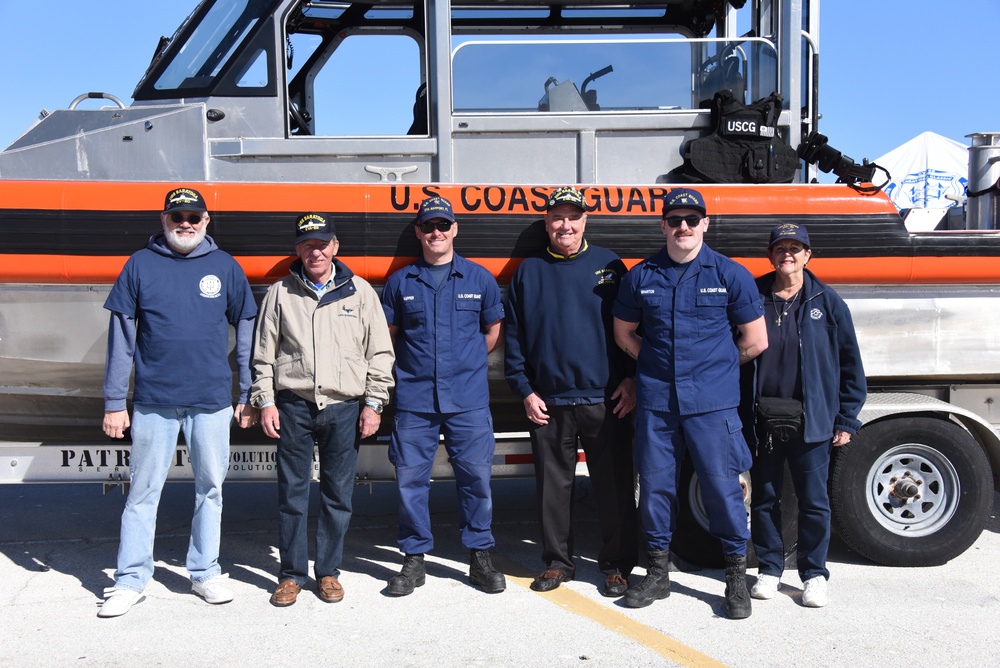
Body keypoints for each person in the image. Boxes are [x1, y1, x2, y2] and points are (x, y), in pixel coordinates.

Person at [98, 187, 258, 618]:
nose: (185, 223)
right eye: (177, 217)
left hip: (211, 401)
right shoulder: (139, 265)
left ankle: (205, 571)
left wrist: (248, 392)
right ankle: (131, 579)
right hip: (154, 401)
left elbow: (246, 326)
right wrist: (115, 401)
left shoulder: (224, 267)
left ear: (206, 221)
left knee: (211, 489)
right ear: (163, 219)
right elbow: (122, 341)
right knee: (142, 492)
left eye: (193, 217)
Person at [612, 187, 768, 619]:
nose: (684, 227)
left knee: (722, 488)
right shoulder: (641, 275)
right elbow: (625, 333)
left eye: (692, 219)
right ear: (663, 225)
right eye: (675, 220)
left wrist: (714, 368)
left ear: (705, 224)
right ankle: (658, 572)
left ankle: (736, 576)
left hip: (712, 404)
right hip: (658, 401)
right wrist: (661, 366)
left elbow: (755, 341)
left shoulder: (730, 274)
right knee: (657, 488)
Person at [251, 212, 395, 607]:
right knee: (292, 494)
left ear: (335, 246)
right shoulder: (281, 293)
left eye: (322, 243)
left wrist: (374, 404)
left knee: (338, 494)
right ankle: (292, 574)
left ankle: (328, 571)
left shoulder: (360, 292)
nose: (315, 250)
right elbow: (262, 357)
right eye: (307, 244)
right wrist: (265, 402)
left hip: (344, 407)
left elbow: (380, 353)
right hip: (294, 405)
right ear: (297, 249)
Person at [504, 186, 639, 597]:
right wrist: (525, 390)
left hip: (607, 399)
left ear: (585, 222)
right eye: (557, 218)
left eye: (573, 217)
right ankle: (558, 563)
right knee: (552, 489)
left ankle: (616, 565)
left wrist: (632, 380)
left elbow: (635, 328)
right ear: (547, 224)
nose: (565, 225)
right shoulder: (528, 271)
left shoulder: (611, 266)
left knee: (614, 488)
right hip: (549, 401)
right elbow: (514, 337)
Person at [380, 195, 507, 596]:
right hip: (415, 400)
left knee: (476, 480)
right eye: (428, 226)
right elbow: (389, 337)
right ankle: (414, 559)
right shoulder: (401, 282)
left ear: (454, 229)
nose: (436, 232)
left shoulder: (479, 279)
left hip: (467, 399)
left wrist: (465, 363)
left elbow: (492, 331)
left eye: (443, 225)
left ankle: (480, 556)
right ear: (418, 232)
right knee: (410, 481)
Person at [743, 223, 866, 608]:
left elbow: (851, 366)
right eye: (780, 248)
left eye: (796, 248)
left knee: (814, 501)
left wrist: (846, 418)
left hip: (812, 421)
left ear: (808, 255)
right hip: (762, 419)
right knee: (764, 498)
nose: (788, 255)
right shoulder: (754, 296)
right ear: (770, 254)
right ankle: (768, 569)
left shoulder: (827, 302)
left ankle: (814, 574)